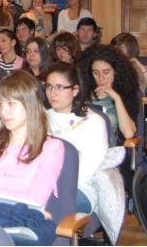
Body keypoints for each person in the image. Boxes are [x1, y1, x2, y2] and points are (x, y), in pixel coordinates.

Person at [0, 72, 65, 239]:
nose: (3, 111)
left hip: (18, 223)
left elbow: (35, 201)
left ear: (30, 104)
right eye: (0, 104)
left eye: (11, 104)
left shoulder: (51, 148)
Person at [44, 62, 108, 214]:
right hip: (41, 184)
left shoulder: (93, 122)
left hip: (80, 188)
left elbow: (86, 170)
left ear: (75, 90)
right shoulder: (42, 118)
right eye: (48, 86)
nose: (52, 93)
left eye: (59, 87)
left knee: (39, 202)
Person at [83, 46, 139, 147]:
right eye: (95, 73)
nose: (101, 78)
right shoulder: (83, 94)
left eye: (106, 72)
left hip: (112, 152)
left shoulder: (126, 95)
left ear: (116, 72)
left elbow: (129, 133)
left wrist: (117, 99)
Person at [110, 33, 147, 97]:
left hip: (135, 104)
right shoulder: (109, 67)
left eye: (120, 48)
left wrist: (141, 67)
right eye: (114, 48)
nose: (116, 51)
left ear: (131, 50)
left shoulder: (142, 68)